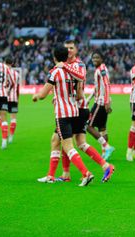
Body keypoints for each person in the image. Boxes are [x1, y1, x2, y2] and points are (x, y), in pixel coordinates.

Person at [36, 41, 114, 184]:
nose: (69, 50)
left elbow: (81, 79)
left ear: (76, 50)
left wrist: (63, 66)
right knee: (71, 142)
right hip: (73, 108)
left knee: (66, 142)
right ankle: (100, 166)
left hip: (77, 109)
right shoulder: (63, 67)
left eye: (72, 48)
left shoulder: (79, 65)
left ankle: (72, 173)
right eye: (67, 48)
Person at [33, 45, 95, 187]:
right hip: (74, 111)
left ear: (54, 57)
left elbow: (43, 95)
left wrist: (36, 96)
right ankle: (50, 176)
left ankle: (86, 173)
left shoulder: (55, 72)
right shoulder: (74, 72)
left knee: (67, 146)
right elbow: (80, 95)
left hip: (62, 113)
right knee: (55, 140)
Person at [86, 50, 115, 160]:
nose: (95, 60)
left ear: (102, 59)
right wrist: (89, 99)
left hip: (101, 102)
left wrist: (107, 101)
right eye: (93, 58)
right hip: (102, 101)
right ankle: (105, 154)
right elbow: (97, 87)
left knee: (88, 126)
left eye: (97, 57)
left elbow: (107, 85)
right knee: (102, 128)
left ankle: (107, 147)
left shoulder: (102, 69)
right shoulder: (99, 69)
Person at [4, 57, 20, 143]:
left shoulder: (3, 72)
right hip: (14, 98)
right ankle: (11, 136)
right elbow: (17, 88)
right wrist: (18, 98)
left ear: (4, 62)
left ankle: (5, 133)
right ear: (12, 63)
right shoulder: (16, 74)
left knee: (2, 117)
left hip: (4, 97)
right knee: (13, 118)